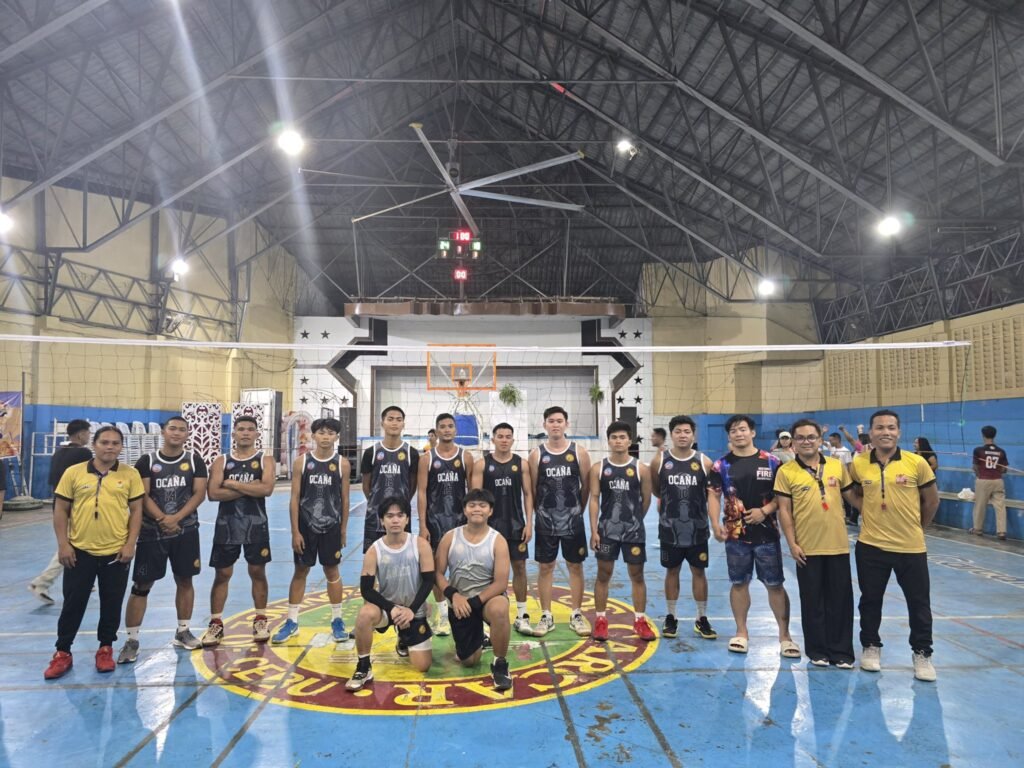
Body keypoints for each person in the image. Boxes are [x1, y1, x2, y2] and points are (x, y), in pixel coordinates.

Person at [43, 426, 144, 679]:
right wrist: (63, 544)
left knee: (112, 603)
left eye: (115, 443)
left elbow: (137, 512)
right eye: (104, 442)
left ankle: (105, 648)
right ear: (94, 445)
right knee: (73, 603)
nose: (110, 447)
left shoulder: (130, 474)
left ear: (121, 447)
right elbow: (60, 509)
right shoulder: (74, 473)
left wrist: (130, 543)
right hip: (80, 552)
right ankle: (62, 652)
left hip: (116, 553)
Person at [848, 409, 940, 681]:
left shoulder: (916, 463)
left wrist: (917, 528)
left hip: (910, 548)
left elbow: (932, 501)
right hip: (871, 546)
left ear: (898, 432)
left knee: (919, 603)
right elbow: (853, 492)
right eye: (879, 427)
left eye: (890, 427)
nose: (885, 432)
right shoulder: (859, 463)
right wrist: (865, 509)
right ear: (871, 433)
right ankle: (871, 646)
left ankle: (922, 653)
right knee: (870, 600)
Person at [117, 416, 209, 664]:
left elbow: (199, 493)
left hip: (185, 531)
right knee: (141, 585)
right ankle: (132, 640)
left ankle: (183, 631)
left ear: (187, 434)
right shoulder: (147, 461)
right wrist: (162, 519)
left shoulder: (194, 460)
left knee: (185, 580)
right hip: (152, 534)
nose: (177, 433)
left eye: (182, 430)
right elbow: (142, 495)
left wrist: (176, 518)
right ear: (164, 432)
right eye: (172, 429)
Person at [710, 415, 799, 658]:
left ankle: (785, 636)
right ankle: (741, 632)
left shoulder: (772, 461)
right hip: (735, 537)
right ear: (729, 436)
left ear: (752, 433)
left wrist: (765, 511)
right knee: (739, 583)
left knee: (775, 584)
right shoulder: (721, 465)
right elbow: (714, 495)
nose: (738, 434)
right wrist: (715, 524)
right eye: (733, 431)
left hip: (767, 535)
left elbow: (782, 496)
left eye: (742, 429)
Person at [776, 419, 859, 668]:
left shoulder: (836, 466)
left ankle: (842, 651)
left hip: (837, 546)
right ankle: (817, 651)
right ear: (793, 442)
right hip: (807, 548)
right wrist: (792, 544)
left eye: (811, 437)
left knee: (840, 601)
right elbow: (784, 511)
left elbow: (853, 498)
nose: (806, 441)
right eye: (800, 437)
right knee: (812, 601)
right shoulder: (786, 472)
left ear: (820, 440)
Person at [273, 418, 351, 645]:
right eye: (321, 432)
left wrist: (343, 529)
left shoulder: (342, 464)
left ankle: (337, 620)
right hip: (306, 527)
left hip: (331, 527)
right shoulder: (302, 462)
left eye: (331, 433)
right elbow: (294, 498)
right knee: (300, 570)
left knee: (332, 571)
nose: (326, 437)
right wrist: (295, 531)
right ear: (313, 435)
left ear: (337, 437)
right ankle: (292, 621)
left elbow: (345, 499)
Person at [200, 416, 276, 646]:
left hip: (256, 526)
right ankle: (216, 623)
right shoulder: (221, 461)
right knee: (222, 574)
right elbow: (213, 494)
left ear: (257, 434)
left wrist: (232, 484)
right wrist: (252, 487)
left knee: (257, 572)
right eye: (241, 429)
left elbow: (267, 489)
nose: (245, 433)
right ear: (233, 434)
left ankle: (260, 619)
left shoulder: (265, 459)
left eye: (250, 429)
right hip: (227, 527)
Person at [346, 496, 435, 691]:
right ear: (382, 520)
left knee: (423, 665)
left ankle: (404, 637)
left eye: (400, 515)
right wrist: (391, 608)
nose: (395, 520)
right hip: (387, 610)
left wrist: (412, 610)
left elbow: (429, 581)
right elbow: (366, 589)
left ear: (407, 519)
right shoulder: (375, 550)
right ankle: (363, 666)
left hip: (413, 610)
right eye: (390, 516)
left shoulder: (420, 545)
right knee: (365, 614)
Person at [435, 489, 514, 691]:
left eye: (482, 505)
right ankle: (479, 639)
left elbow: (501, 583)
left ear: (490, 511)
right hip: (460, 602)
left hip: (486, 600)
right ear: (464, 510)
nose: (477, 509)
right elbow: (437, 574)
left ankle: (500, 664)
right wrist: (453, 595)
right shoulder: (450, 538)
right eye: (472, 505)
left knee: (500, 609)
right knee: (469, 661)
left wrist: (475, 602)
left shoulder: (498, 541)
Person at [649, 415, 719, 640]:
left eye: (687, 431)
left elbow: (712, 494)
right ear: (671, 434)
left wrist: (715, 523)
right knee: (672, 571)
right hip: (669, 529)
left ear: (693, 435)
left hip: (698, 530)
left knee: (699, 571)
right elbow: (657, 490)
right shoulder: (660, 461)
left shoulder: (704, 462)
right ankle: (671, 616)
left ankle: (701, 617)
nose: (682, 435)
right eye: (678, 431)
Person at [529, 406, 592, 637]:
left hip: (573, 520)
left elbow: (586, 487)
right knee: (546, 567)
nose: (555, 424)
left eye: (559, 421)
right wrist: (539, 514)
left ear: (566, 424)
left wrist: (578, 511)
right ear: (544, 425)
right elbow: (533, 489)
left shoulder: (579, 452)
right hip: (546, 521)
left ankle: (576, 614)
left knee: (575, 566)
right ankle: (546, 615)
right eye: (551, 421)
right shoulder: (536, 455)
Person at [588, 422, 655, 641]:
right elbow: (594, 499)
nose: (618, 441)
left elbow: (646, 500)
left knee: (637, 575)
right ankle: (600, 620)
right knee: (603, 574)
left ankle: (640, 621)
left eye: (622, 437)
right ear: (608, 441)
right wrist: (594, 530)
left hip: (633, 532)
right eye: (614, 437)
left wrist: (635, 521)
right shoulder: (598, 468)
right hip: (607, 531)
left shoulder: (641, 469)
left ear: (629, 441)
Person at [471, 422, 535, 636]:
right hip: (489, 528)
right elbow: (475, 499)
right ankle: (485, 619)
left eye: (508, 436)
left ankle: (522, 616)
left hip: (515, 525)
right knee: (486, 572)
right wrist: (477, 527)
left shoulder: (521, 464)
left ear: (513, 440)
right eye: (500, 436)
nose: (504, 440)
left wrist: (529, 523)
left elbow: (528, 494)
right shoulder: (482, 464)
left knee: (520, 568)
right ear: (493, 439)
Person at [417, 412, 474, 636]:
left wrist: (474, 522)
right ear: (436, 430)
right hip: (434, 523)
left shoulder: (466, 456)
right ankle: (442, 614)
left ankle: (467, 610)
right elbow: (421, 493)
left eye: (450, 426)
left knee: (465, 569)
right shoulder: (427, 459)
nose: (447, 430)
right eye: (443, 426)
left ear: (455, 430)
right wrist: (423, 525)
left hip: (461, 523)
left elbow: (473, 493)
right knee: (435, 570)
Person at [29, 419, 93, 605]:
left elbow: (53, 481)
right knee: (71, 545)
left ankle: (85, 578)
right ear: (81, 434)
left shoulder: (58, 452)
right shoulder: (84, 453)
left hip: (59, 504)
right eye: (88, 433)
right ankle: (42, 583)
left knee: (81, 543)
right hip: (76, 506)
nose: (89, 436)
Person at [360, 406, 419, 553]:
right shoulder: (371, 453)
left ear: (403, 424)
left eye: (399, 420)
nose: (394, 423)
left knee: (402, 556)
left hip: (401, 515)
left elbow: (412, 486)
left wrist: (402, 503)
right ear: (382, 423)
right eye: (390, 419)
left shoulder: (411, 453)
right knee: (373, 558)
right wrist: (377, 503)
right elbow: (366, 486)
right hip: (375, 516)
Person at [972, 425, 1009, 539]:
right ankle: (1001, 532)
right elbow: (1004, 469)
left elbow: (975, 467)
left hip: (983, 480)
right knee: (1000, 506)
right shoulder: (1001, 451)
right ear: (994, 435)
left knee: (980, 505)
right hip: (998, 481)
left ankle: (978, 529)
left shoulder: (978, 450)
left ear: (983, 435)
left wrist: (979, 476)